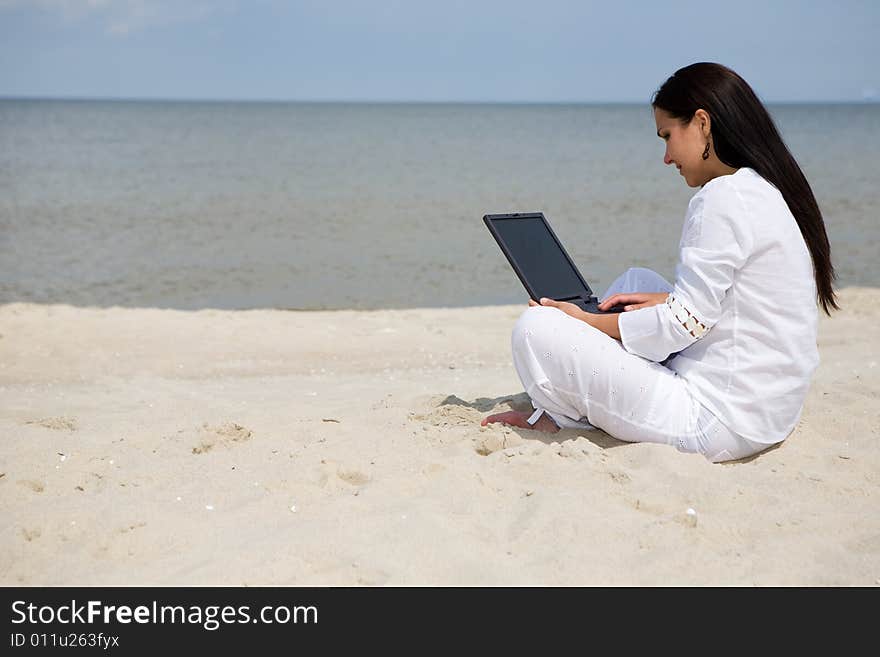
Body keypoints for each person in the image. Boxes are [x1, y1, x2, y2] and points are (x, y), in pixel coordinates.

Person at [481, 62, 838, 463]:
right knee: (637, 281)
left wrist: (589, 323)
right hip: (767, 412)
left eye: (668, 136)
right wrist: (659, 307)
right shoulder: (762, 188)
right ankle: (588, 386)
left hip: (718, 421)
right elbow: (732, 305)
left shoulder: (720, 197)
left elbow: (685, 324)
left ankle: (565, 417)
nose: (667, 157)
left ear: (702, 124)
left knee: (536, 326)